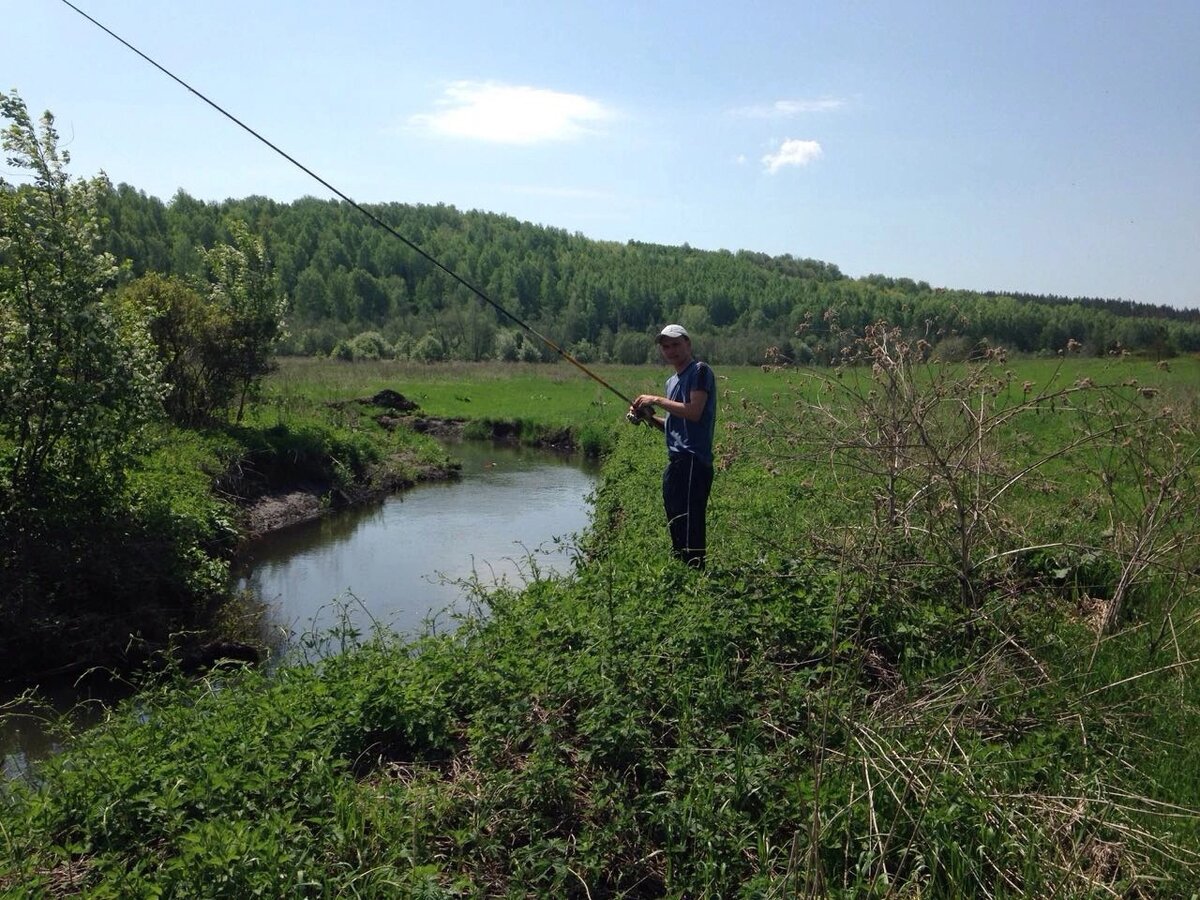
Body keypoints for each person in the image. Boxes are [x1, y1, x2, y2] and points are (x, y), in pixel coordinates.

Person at [629, 324, 717, 569]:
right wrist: (647, 416)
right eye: (666, 346)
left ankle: (696, 576)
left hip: (693, 461)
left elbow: (694, 411)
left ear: (688, 344)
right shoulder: (671, 382)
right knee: (676, 522)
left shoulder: (699, 371)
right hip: (676, 463)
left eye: (676, 344)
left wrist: (655, 399)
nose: (671, 350)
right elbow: (674, 426)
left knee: (691, 525)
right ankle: (683, 574)